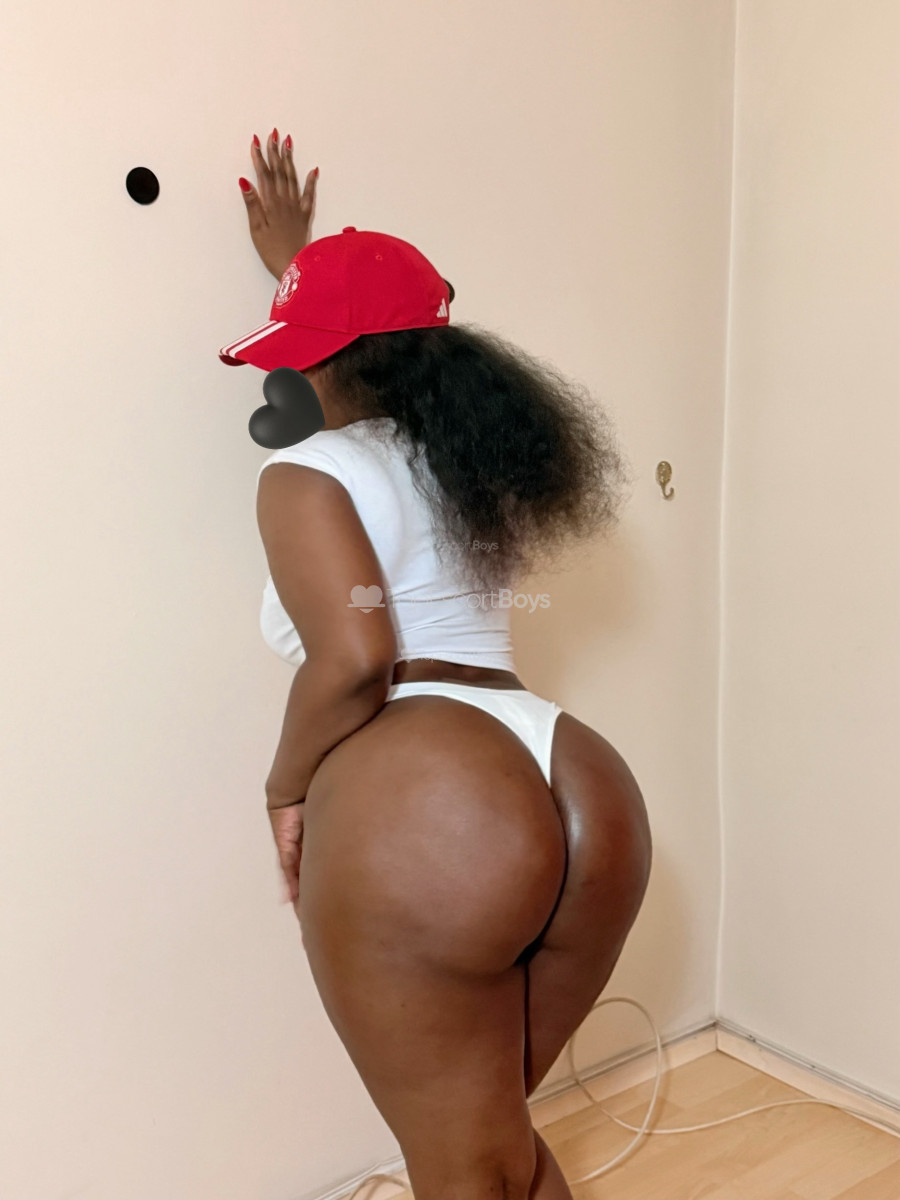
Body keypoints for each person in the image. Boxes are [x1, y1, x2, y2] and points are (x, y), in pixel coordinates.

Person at [221, 129, 653, 1200]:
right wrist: (306, 264)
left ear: (325, 361)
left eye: (299, 350)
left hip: (436, 798)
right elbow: (384, 334)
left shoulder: (307, 471)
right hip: (579, 782)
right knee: (497, 1147)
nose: (289, 370)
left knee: (466, 1168)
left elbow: (356, 657)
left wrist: (283, 789)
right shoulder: (467, 463)